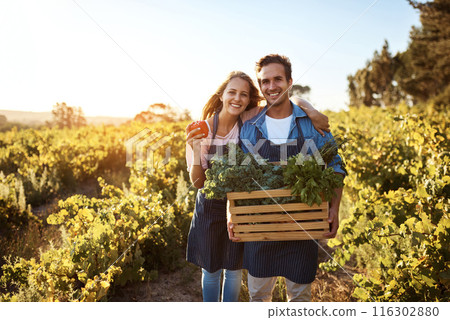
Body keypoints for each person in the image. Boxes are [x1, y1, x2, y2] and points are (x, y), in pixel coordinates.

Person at [185, 70, 329, 302]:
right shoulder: (202, 130)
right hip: (210, 208)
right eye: (232, 92)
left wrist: (311, 110)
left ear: (249, 99)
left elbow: (287, 99)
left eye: (243, 94)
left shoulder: (250, 119)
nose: (237, 99)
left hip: (241, 205)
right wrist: (194, 148)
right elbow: (198, 183)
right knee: (210, 271)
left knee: (234, 270)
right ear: (221, 95)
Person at [227, 54, 346, 302]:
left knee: (300, 297)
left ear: (290, 81)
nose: (272, 86)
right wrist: (232, 212)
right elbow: (235, 172)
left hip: (302, 224)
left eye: (277, 79)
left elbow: (335, 165)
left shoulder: (310, 124)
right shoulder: (249, 124)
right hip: (260, 226)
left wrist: (334, 208)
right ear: (260, 87)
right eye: (265, 81)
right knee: (258, 296)